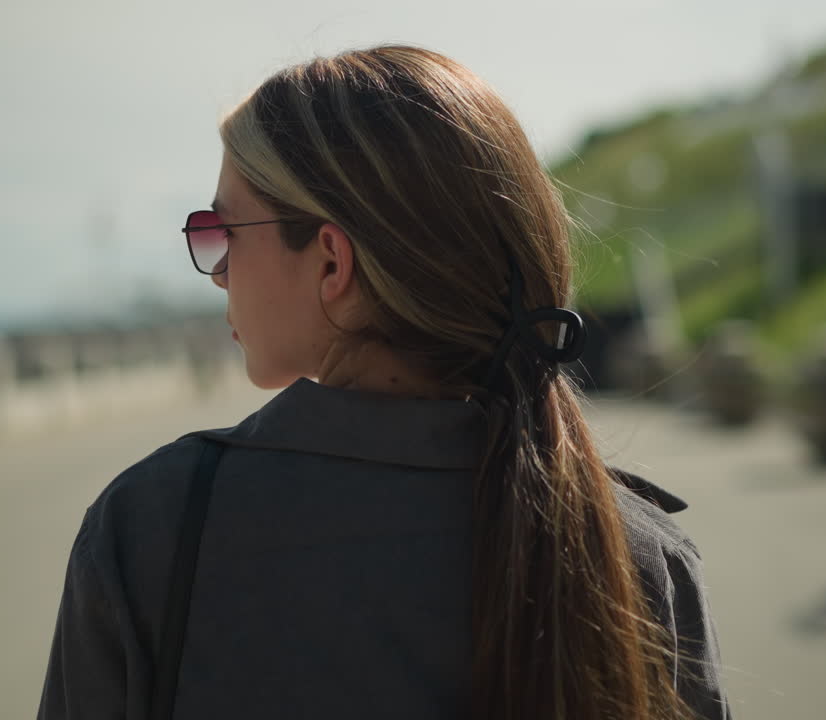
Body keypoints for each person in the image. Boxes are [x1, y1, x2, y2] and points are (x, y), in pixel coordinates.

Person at [37, 45, 728, 720]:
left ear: (332, 263)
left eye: (221, 229)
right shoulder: (637, 556)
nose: (216, 270)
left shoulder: (152, 527)